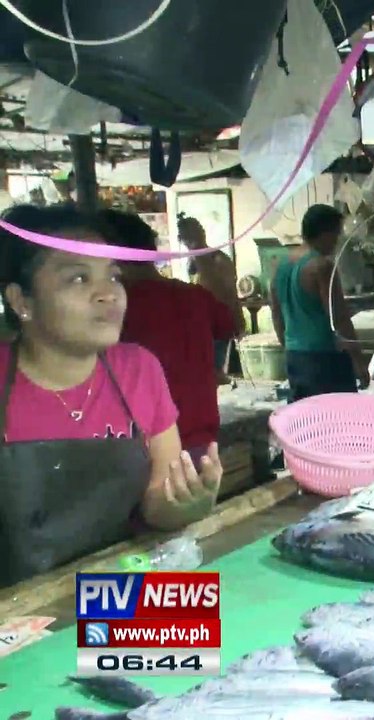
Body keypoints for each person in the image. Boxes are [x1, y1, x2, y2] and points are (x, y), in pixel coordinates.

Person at [0, 204, 223, 586]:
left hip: (118, 588)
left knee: (208, 636)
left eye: (113, 277)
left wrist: (184, 505)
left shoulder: (139, 369)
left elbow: (157, 505)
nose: (108, 294)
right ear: (22, 302)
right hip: (18, 614)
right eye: (78, 279)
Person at [100, 209, 236, 463]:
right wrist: (201, 248)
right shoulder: (192, 296)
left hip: (147, 450)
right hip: (200, 441)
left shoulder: (115, 308)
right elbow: (232, 324)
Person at [270, 204, 368, 402]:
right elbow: (339, 319)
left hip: (295, 356)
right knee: (336, 421)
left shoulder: (280, 266)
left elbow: (276, 314)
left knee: (307, 421)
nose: (337, 241)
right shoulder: (321, 266)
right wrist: (359, 362)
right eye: (336, 234)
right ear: (325, 233)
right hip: (325, 358)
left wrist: (288, 346)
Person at [176, 215, 243, 381]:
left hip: (218, 323)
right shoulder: (192, 260)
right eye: (186, 237)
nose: (189, 241)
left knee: (212, 374)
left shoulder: (217, 260)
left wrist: (237, 320)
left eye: (193, 235)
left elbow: (228, 294)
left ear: (202, 233)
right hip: (199, 324)